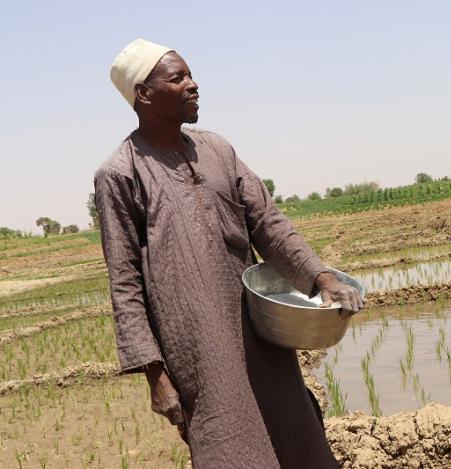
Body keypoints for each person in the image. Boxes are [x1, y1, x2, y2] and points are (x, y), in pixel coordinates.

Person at [95, 38, 364, 469]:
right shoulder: (120, 175)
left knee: (298, 436)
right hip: (197, 350)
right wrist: (155, 375)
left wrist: (320, 277)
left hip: (259, 334)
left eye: (191, 74)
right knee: (228, 446)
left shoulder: (218, 149)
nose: (193, 84)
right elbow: (124, 282)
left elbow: (269, 224)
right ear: (143, 94)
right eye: (177, 77)